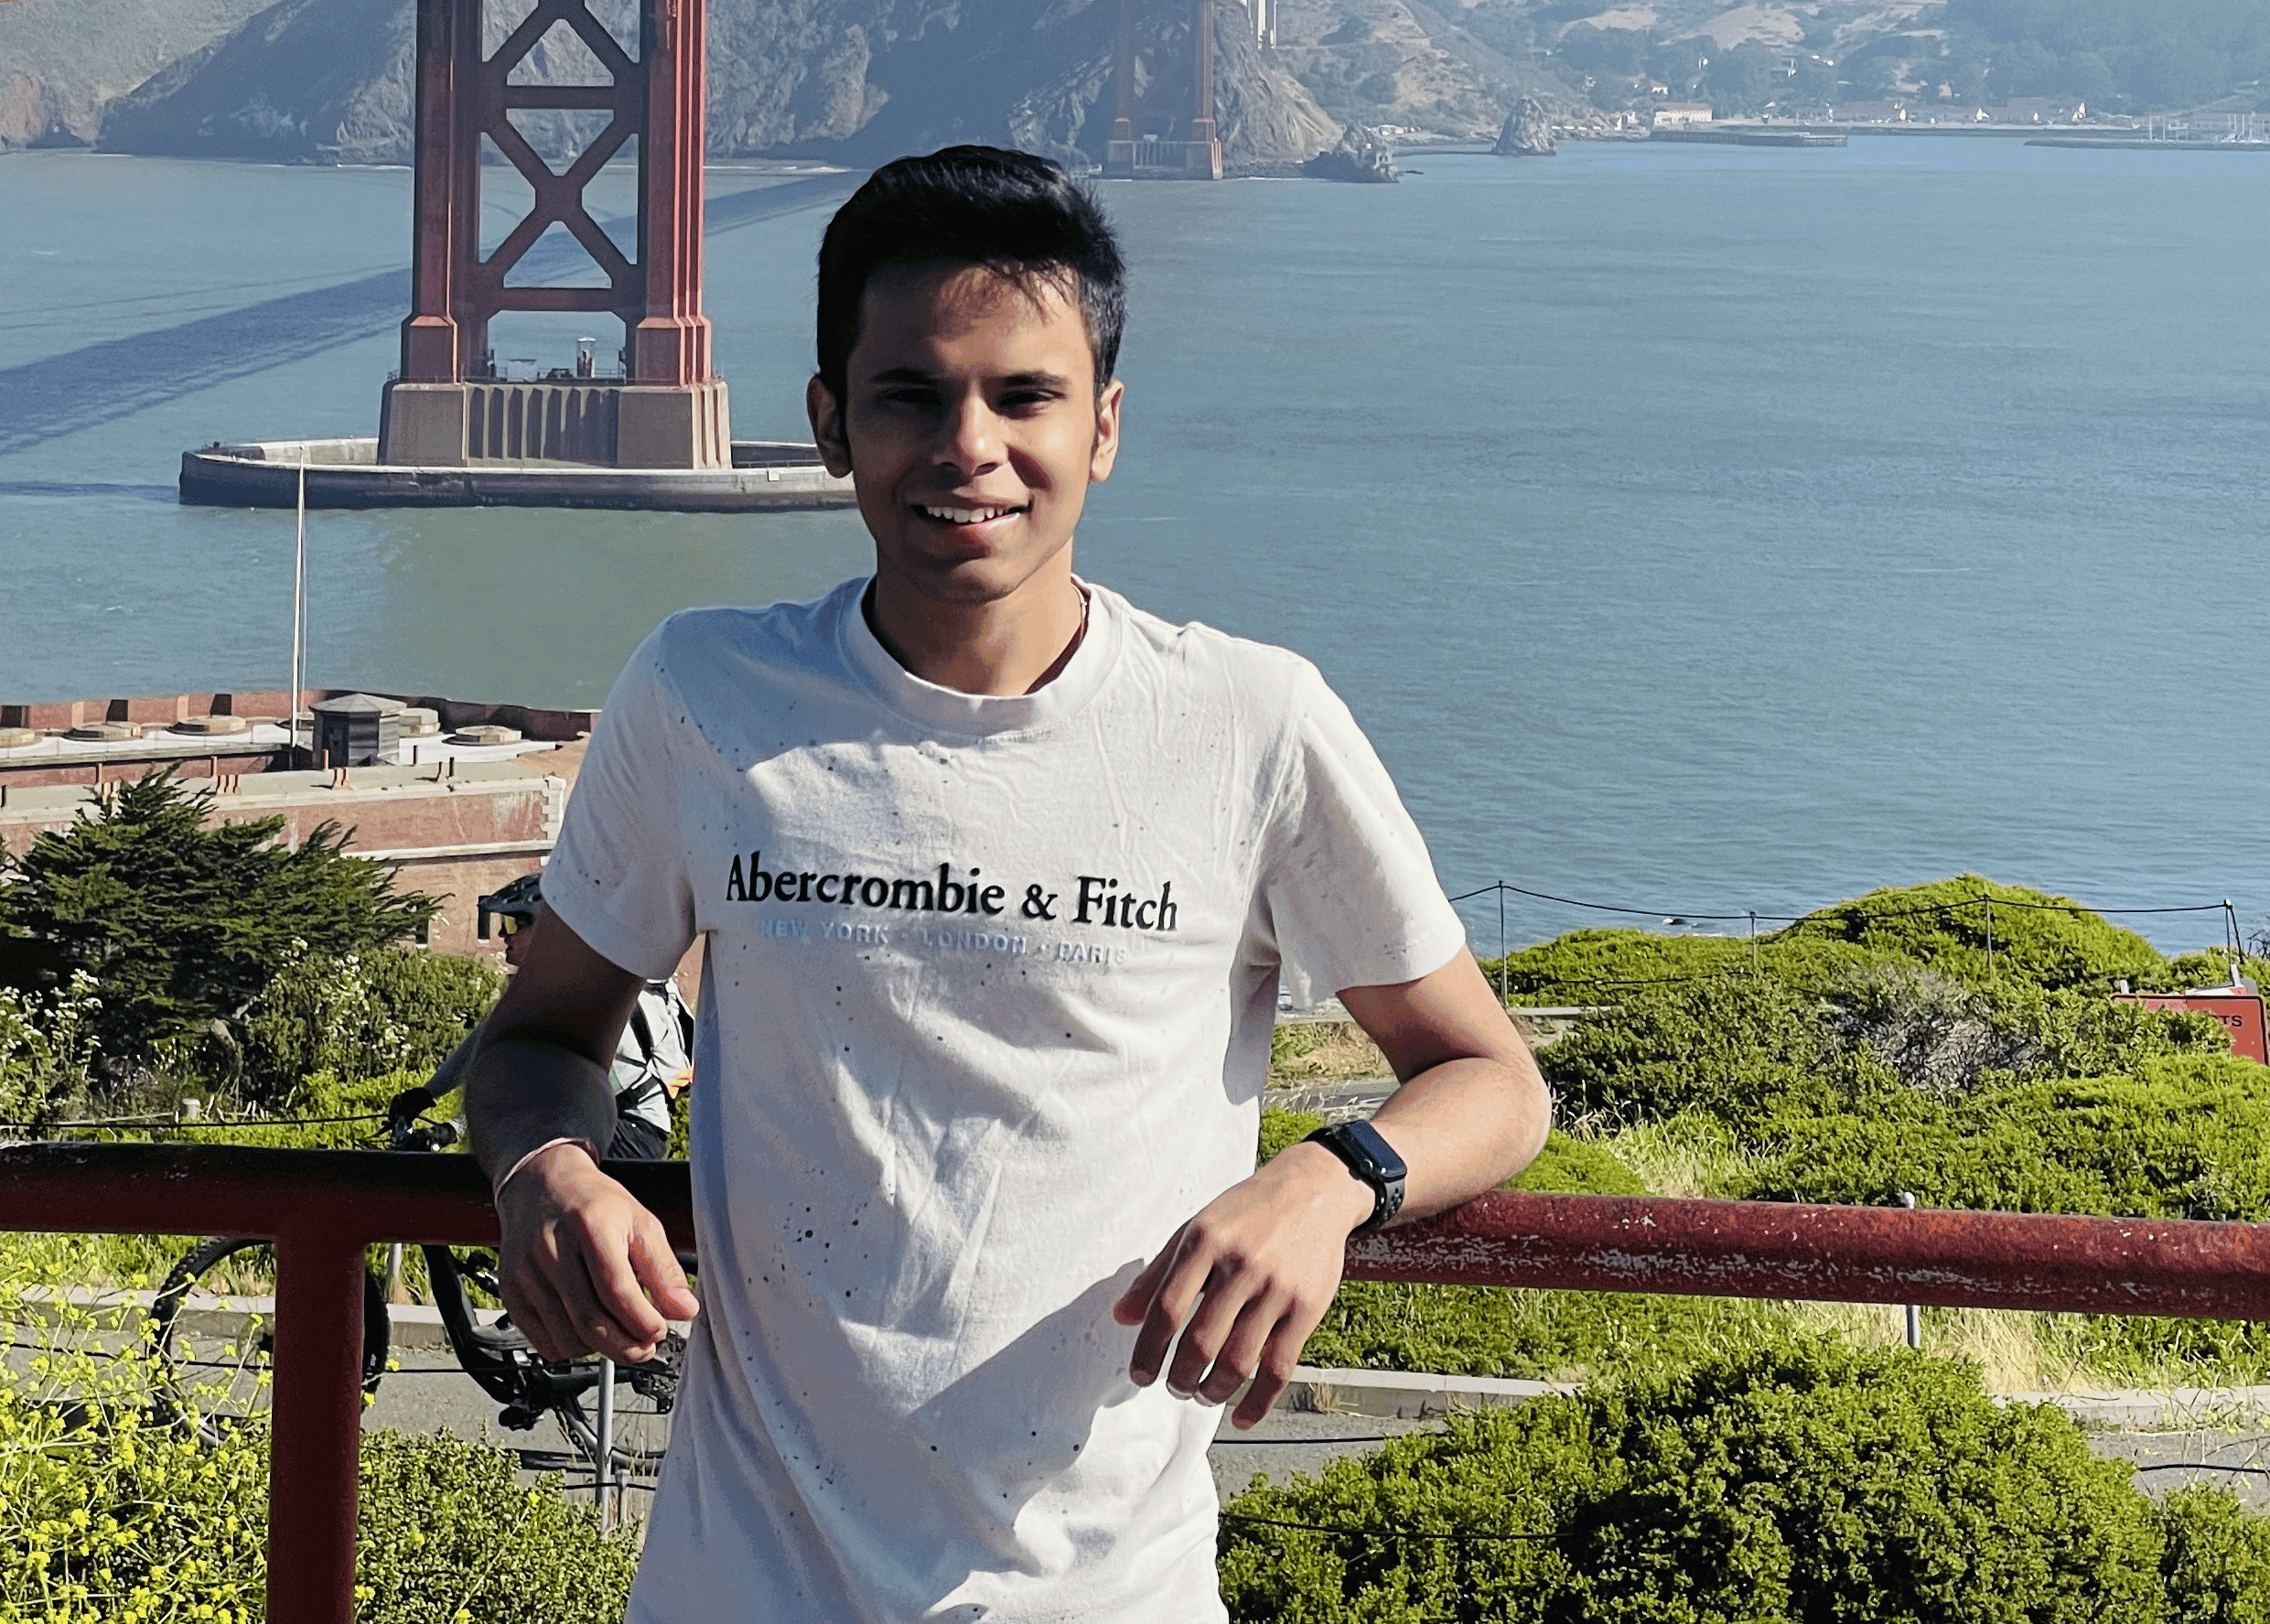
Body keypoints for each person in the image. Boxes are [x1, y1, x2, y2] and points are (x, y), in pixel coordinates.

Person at [467, 145, 1547, 1624]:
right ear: (829, 423)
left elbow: (1489, 1076)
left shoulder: (1248, 719)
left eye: (1021, 395)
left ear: (1102, 426)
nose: (966, 443)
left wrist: (1325, 1181)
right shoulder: (701, 694)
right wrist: (547, 1170)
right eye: (909, 393)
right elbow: (538, 1039)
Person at [477, 867, 697, 1155]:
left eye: (512, 923)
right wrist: (428, 1093)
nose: (503, 935)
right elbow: (485, 1041)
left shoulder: (584, 987)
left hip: (631, 1128)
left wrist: (467, 1121)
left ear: (546, 927)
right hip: (601, 1120)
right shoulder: (551, 984)